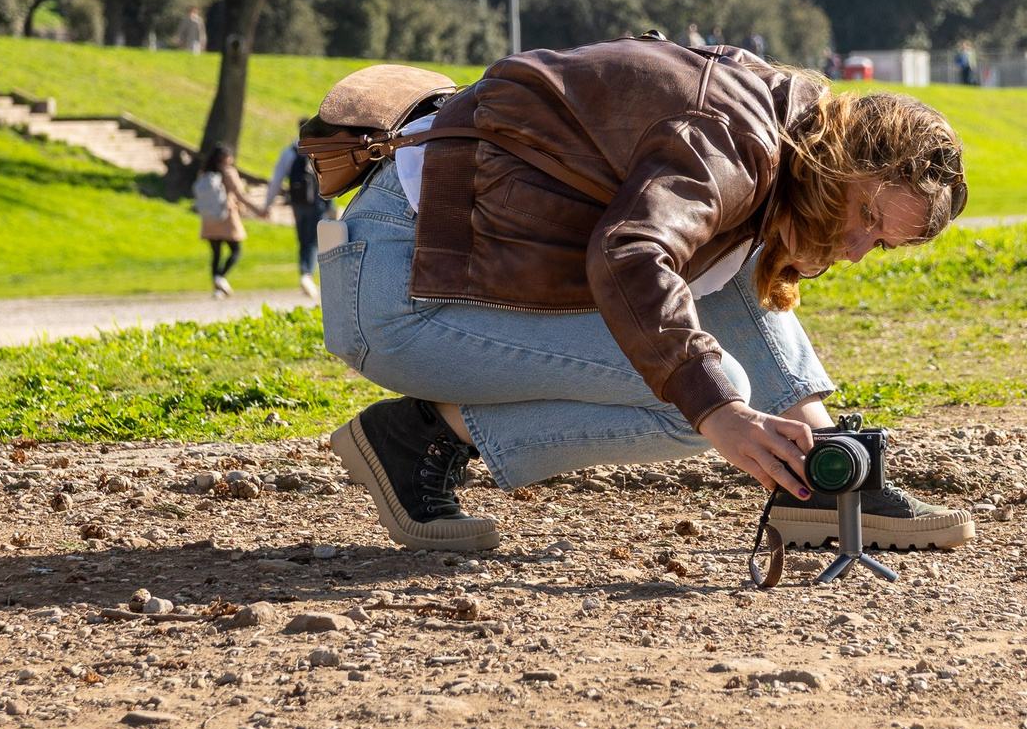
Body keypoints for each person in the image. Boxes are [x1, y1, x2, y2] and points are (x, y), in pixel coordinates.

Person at [319, 37, 976, 557]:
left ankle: (826, 473)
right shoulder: (732, 141)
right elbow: (629, 253)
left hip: (417, 257)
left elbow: (702, 276)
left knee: (722, 305)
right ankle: (419, 435)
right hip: (398, 290)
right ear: (843, 158)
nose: (857, 248)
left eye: (879, 243)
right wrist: (719, 410)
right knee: (702, 402)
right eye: (865, 214)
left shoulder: (782, 129)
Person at [265, 132, 330, 299]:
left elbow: (277, 178)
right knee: (313, 240)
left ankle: (304, 272)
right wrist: (330, 205)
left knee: (302, 239)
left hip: (297, 203)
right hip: (316, 203)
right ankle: (307, 274)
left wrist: (268, 204)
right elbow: (327, 178)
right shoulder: (317, 150)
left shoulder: (290, 152)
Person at [194, 144, 251, 298]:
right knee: (236, 250)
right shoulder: (228, 172)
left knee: (216, 254)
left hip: (209, 219)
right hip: (227, 217)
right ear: (226, 158)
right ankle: (221, 277)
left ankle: (217, 288)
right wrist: (258, 210)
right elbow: (239, 194)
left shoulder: (204, 173)